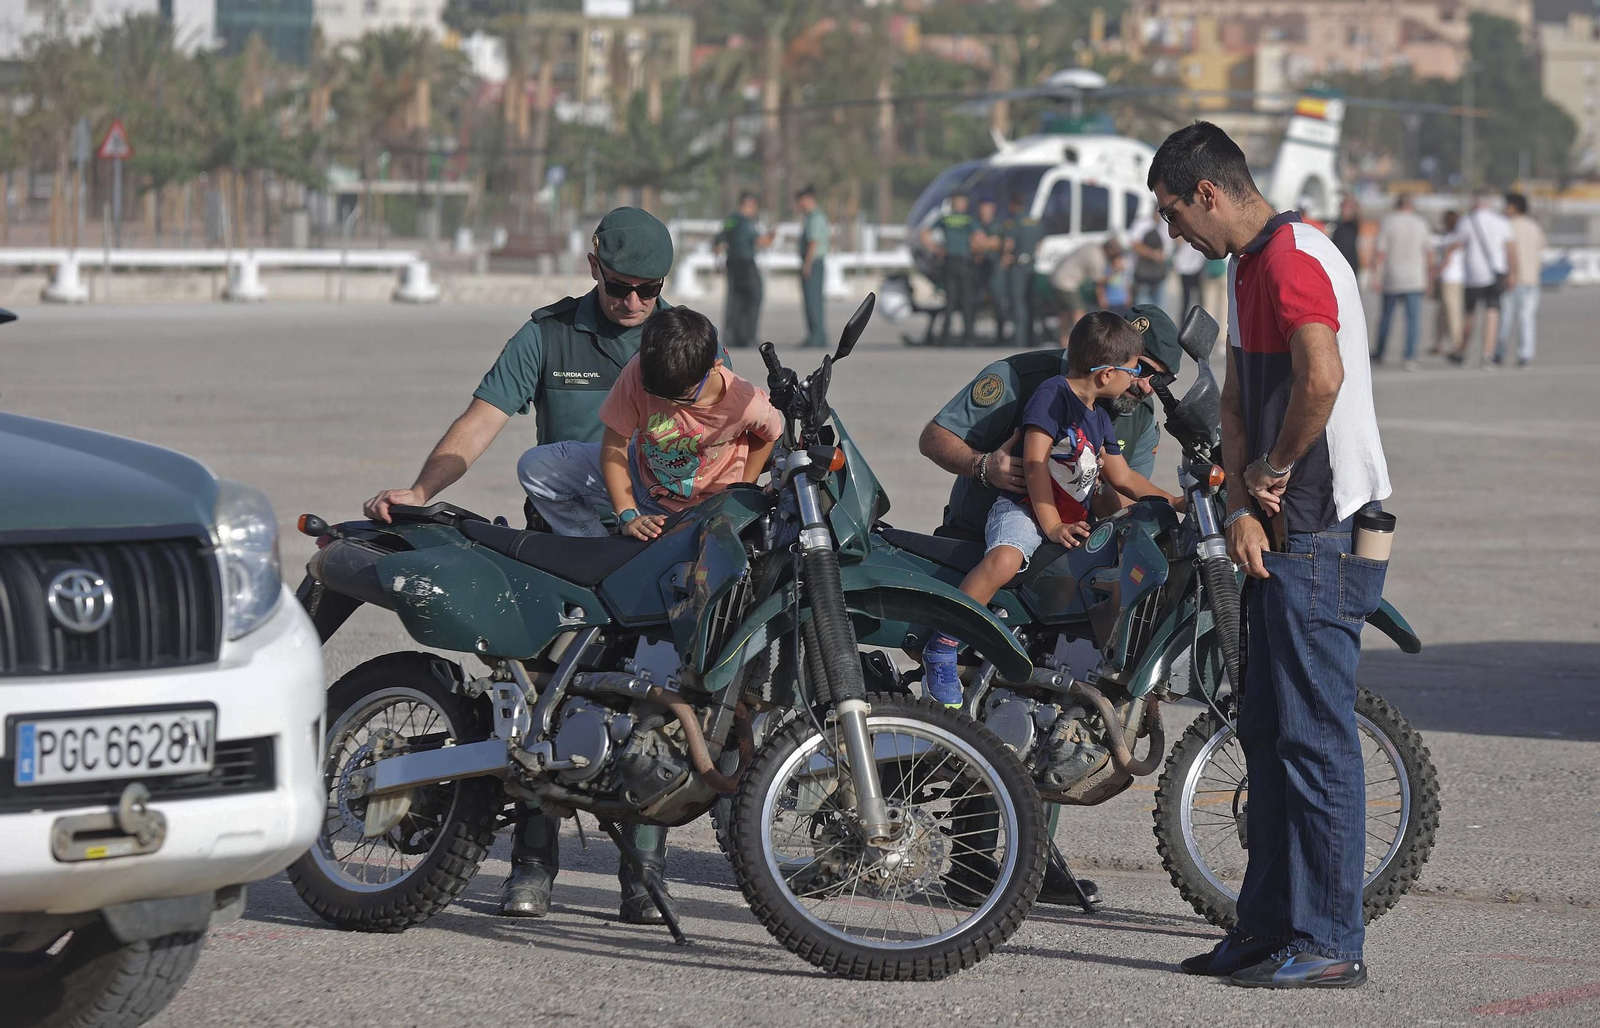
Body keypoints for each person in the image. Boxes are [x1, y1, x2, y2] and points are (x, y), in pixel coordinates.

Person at [361, 206, 685, 925]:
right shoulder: (548, 334)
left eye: (650, 289)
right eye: (622, 286)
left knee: (655, 708)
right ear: (594, 266)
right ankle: (533, 865)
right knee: (545, 702)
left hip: (650, 553)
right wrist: (421, 490)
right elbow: (482, 420)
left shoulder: (680, 337)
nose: (634, 303)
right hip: (559, 556)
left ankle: (645, 872)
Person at [1150, 121, 1391, 989]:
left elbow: (1318, 378)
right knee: (1267, 733)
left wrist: (1275, 473)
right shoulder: (1243, 264)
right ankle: (1265, 928)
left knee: (1316, 743)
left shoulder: (1292, 257)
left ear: (1208, 192)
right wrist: (1239, 500)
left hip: (1320, 532)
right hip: (1276, 527)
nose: (1173, 232)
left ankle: (1330, 942)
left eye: (1175, 214)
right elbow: (1246, 394)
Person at [920, 311, 1180, 707]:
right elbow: (1037, 467)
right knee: (1005, 559)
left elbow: (1125, 480)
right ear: (1107, 372)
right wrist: (989, 470)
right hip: (1022, 513)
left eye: (1157, 379)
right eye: (1137, 369)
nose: (1143, 385)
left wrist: (1177, 500)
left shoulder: (1110, 415)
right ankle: (943, 643)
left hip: (1067, 525)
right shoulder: (1041, 387)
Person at [518, 306, 782, 541]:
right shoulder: (639, 370)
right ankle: (596, 551)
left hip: (705, 507)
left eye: (681, 398)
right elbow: (614, 445)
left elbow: (767, 435)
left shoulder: (745, 401)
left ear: (714, 367)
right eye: (657, 396)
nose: (670, 406)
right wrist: (627, 514)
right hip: (643, 476)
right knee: (536, 467)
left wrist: (740, 492)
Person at [1446, 192, 1513, 368]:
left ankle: (1463, 351)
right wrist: (1512, 273)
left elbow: (1456, 244)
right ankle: (1487, 354)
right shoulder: (1501, 222)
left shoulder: (1467, 221)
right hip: (1495, 271)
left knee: (1470, 314)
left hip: (1474, 274)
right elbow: (1509, 249)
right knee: (1492, 313)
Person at [1370, 193, 1434, 369]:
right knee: (1413, 319)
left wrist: (1375, 276)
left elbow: (1380, 252)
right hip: (1415, 277)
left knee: (1386, 317)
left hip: (1393, 276)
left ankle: (1380, 351)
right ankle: (1410, 356)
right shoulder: (1421, 223)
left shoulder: (1388, 222)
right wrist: (1430, 278)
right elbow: (1429, 253)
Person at [921, 192, 984, 346]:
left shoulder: (945, 218)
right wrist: (977, 251)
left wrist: (935, 248)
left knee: (950, 301)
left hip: (950, 262)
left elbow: (924, 233)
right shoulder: (969, 219)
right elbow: (979, 237)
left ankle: (946, 338)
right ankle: (968, 338)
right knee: (966, 301)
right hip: (963, 262)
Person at [713, 191, 774, 349]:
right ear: (748, 204)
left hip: (732, 264)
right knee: (754, 297)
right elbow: (761, 241)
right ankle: (748, 336)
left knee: (735, 300)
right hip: (746, 264)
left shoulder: (731, 220)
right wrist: (772, 236)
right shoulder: (747, 223)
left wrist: (717, 258)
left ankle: (732, 336)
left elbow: (719, 238)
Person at [1499, 192, 1547, 367]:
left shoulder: (1506, 225)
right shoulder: (1533, 226)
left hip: (1510, 280)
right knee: (1526, 319)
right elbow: (1541, 249)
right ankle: (1525, 354)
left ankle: (1499, 352)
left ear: (1513, 207)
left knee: (1505, 319)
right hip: (1531, 279)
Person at [1050, 238, 1121, 346]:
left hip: (1056, 278)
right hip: (1067, 283)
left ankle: (1064, 340)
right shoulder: (1097, 257)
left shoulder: (1092, 245)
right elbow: (1099, 280)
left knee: (1064, 312)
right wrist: (1116, 270)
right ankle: (1081, 340)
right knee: (1078, 310)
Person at [1001, 193, 1047, 349]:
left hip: (1017, 267)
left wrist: (1005, 257)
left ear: (1013, 205)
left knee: (1018, 302)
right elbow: (1040, 243)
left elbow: (1009, 243)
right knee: (1030, 303)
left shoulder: (1013, 222)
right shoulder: (1034, 222)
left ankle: (1019, 339)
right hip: (1031, 265)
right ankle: (1031, 338)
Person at [796, 185, 830, 348]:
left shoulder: (815, 217)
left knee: (813, 301)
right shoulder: (812, 216)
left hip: (813, 263)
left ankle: (817, 337)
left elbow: (813, 242)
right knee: (811, 301)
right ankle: (815, 336)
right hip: (814, 263)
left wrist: (807, 264)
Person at [1430, 210, 1465, 357]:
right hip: (1449, 279)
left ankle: (1457, 344)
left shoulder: (1456, 237)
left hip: (1452, 279)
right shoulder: (1451, 236)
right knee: (1442, 313)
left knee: (1453, 313)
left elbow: (1447, 259)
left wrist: (1434, 273)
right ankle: (1439, 342)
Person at [978, 198, 1009, 341]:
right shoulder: (976, 223)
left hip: (995, 268)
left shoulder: (998, 225)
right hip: (979, 269)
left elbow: (997, 244)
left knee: (998, 301)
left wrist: (980, 243)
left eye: (987, 208)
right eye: (982, 208)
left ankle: (1000, 335)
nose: (984, 211)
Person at [1128, 212, 1171, 308]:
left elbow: (1167, 249)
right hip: (1143, 272)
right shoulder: (1142, 223)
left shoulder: (1165, 225)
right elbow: (1134, 244)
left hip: (1159, 272)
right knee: (1143, 304)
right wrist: (1153, 254)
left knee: (1160, 305)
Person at [1173, 239, 1208, 318]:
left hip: (1197, 268)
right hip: (1185, 269)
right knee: (1186, 300)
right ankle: (1183, 323)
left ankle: (1199, 321)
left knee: (1198, 300)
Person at [1328, 195, 1362, 276]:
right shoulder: (1337, 224)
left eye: (1348, 207)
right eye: (1344, 206)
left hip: (1351, 263)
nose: (1346, 209)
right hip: (1337, 262)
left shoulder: (1352, 224)